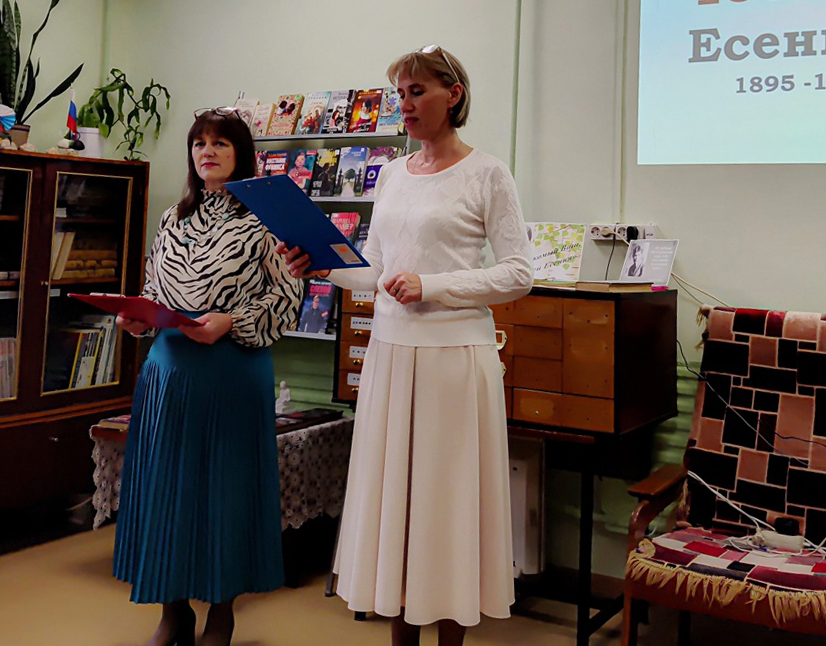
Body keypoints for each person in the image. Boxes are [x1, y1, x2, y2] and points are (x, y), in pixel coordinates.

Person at [280, 45, 532, 646]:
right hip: (390, 357)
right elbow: (376, 269)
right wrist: (322, 265)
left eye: (418, 91)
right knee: (395, 504)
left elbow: (519, 273)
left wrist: (434, 286)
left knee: (445, 505)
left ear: (454, 95)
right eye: (400, 94)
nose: (406, 104)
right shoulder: (392, 173)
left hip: (453, 361)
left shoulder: (487, 173)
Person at [114, 108, 303, 646]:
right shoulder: (173, 218)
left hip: (231, 372)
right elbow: (154, 290)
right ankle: (173, 612)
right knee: (164, 491)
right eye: (199, 143)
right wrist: (137, 318)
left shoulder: (266, 220)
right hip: (168, 373)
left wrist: (232, 321)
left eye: (220, 143)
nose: (208, 152)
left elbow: (287, 299)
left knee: (226, 491)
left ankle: (222, 613)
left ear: (241, 154)